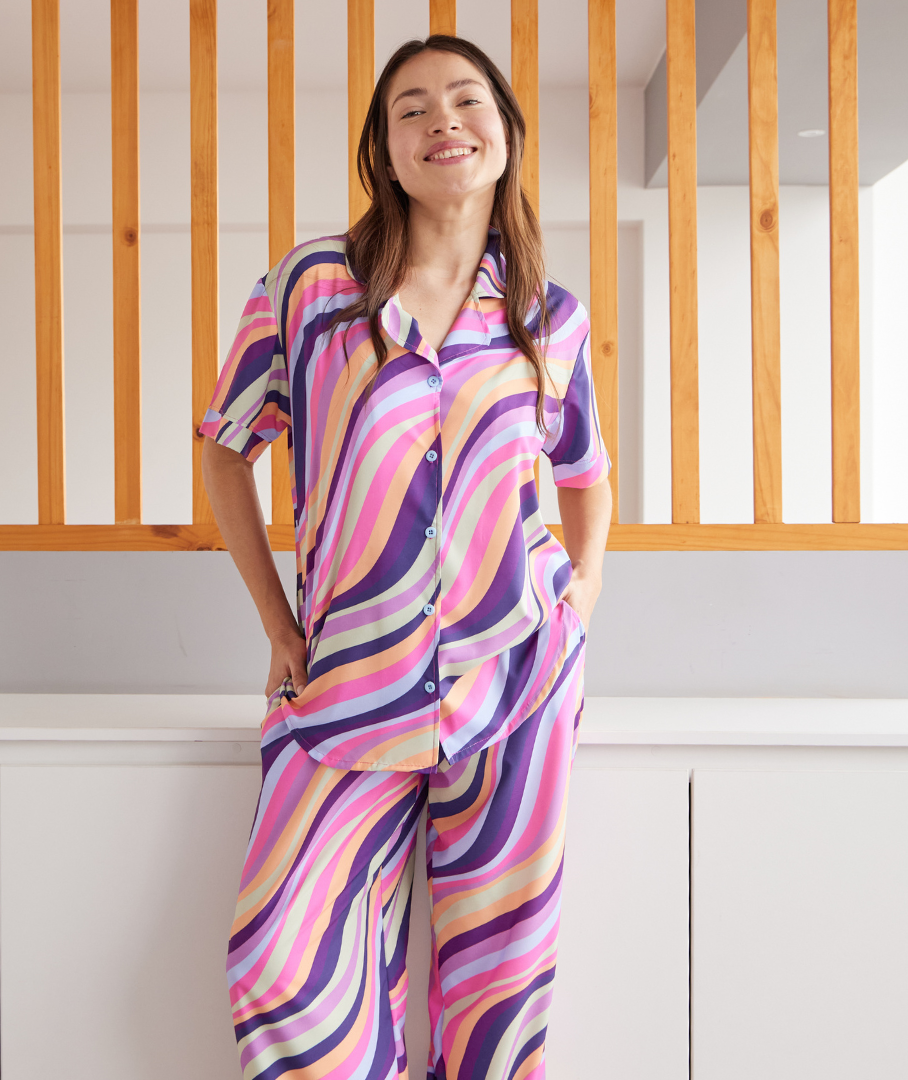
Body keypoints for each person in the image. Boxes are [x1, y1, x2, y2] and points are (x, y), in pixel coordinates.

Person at [200, 33, 612, 1080]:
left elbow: (585, 471)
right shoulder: (310, 289)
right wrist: (279, 626)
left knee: (499, 984)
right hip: (347, 681)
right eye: (412, 109)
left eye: (467, 101)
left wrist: (582, 593)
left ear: (505, 134)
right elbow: (225, 448)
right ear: (382, 151)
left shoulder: (547, 316)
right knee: (285, 970)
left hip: (515, 682)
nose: (443, 122)